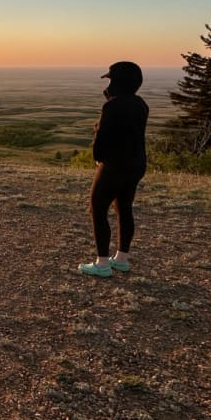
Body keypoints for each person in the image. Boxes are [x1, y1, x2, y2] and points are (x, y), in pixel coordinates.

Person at [79, 61, 149, 278]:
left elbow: (102, 139)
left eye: (111, 79)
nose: (108, 83)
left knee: (98, 209)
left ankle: (102, 264)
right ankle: (121, 259)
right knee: (124, 208)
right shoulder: (141, 104)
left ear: (117, 82)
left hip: (114, 164)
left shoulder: (112, 106)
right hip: (137, 164)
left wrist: (98, 159)